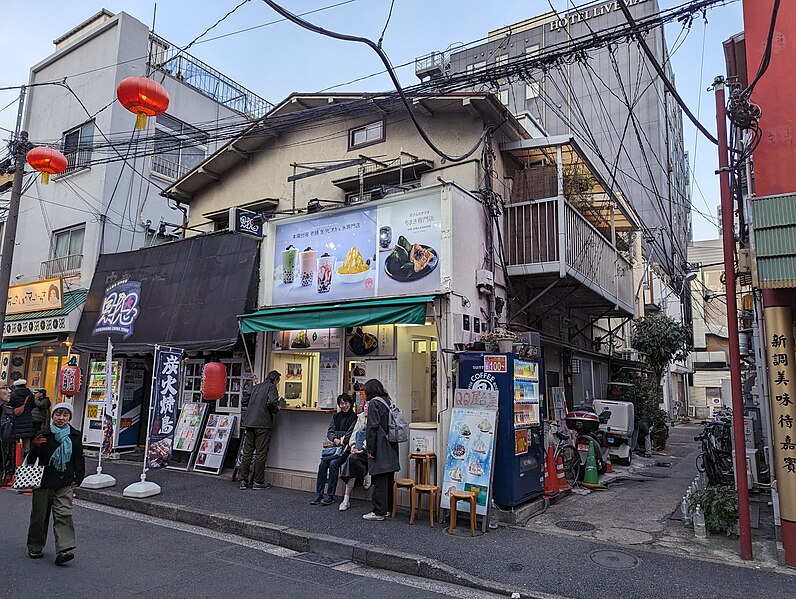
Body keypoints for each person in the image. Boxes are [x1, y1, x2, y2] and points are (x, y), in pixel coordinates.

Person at [26, 402, 85, 566]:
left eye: (65, 415)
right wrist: (35, 447)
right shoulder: (43, 434)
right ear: (52, 416)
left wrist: (79, 477)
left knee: (64, 514)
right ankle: (35, 546)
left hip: (64, 481)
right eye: (58, 414)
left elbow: (79, 458)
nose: (61, 418)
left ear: (69, 417)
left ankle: (64, 550)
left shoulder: (75, 435)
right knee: (39, 516)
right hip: (43, 481)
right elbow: (31, 460)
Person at [362, 379, 400, 521]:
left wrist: (370, 449)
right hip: (391, 444)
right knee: (388, 479)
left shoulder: (374, 404)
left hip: (380, 446)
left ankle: (379, 511)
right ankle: (387, 509)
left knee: (379, 479)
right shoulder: (387, 401)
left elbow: (372, 428)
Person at [239, 370, 281, 490]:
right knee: (260, 453)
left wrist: (252, 409)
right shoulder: (271, 387)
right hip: (263, 424)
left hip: (250, 422)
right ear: (275, 380)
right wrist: (276, 409)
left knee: (247, 452)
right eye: (278, 381)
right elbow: (272, 401)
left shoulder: (255, 387)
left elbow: (244, 401)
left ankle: (243, 480)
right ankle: (258, 481)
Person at [312, 393, 357, 506]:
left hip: (345, 449)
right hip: (334, 449)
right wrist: (335, 440)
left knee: (333, 464)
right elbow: (330, 432)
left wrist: (340, 441)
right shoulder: (335, 417)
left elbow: (350, 434)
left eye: (346, 403)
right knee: (322, 464)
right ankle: (319, 493)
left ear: (350, 404)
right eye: (341, 403)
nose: (344, 406)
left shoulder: (354, 418)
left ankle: (330, 495)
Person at [338, 400, 371, 512]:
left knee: (351, 460)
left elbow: (373, 436)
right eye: (365, 405)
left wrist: (363, 448)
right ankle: (365, 474)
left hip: (369, 452)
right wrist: (352, 446)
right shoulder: (360, 417)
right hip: (357, 452)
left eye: (369, 405)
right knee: (351, 459)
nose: (366, 407)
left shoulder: (376, 418)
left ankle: (346, 499)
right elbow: (354, 433)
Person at [10, 379, 34, 455]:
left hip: (16, 419)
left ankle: (17, 458)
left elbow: (10, 406)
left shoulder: (13, 395)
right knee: (26, 440)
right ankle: (26, 457)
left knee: (16, 441)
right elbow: (32, 406)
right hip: (27, 419)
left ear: (16, 386)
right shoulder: (30, 394)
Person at [0, 384, 15, 486]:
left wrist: (10, 468)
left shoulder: (8, 413)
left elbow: (11, 444)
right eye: (5, 388)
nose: (9, 391)